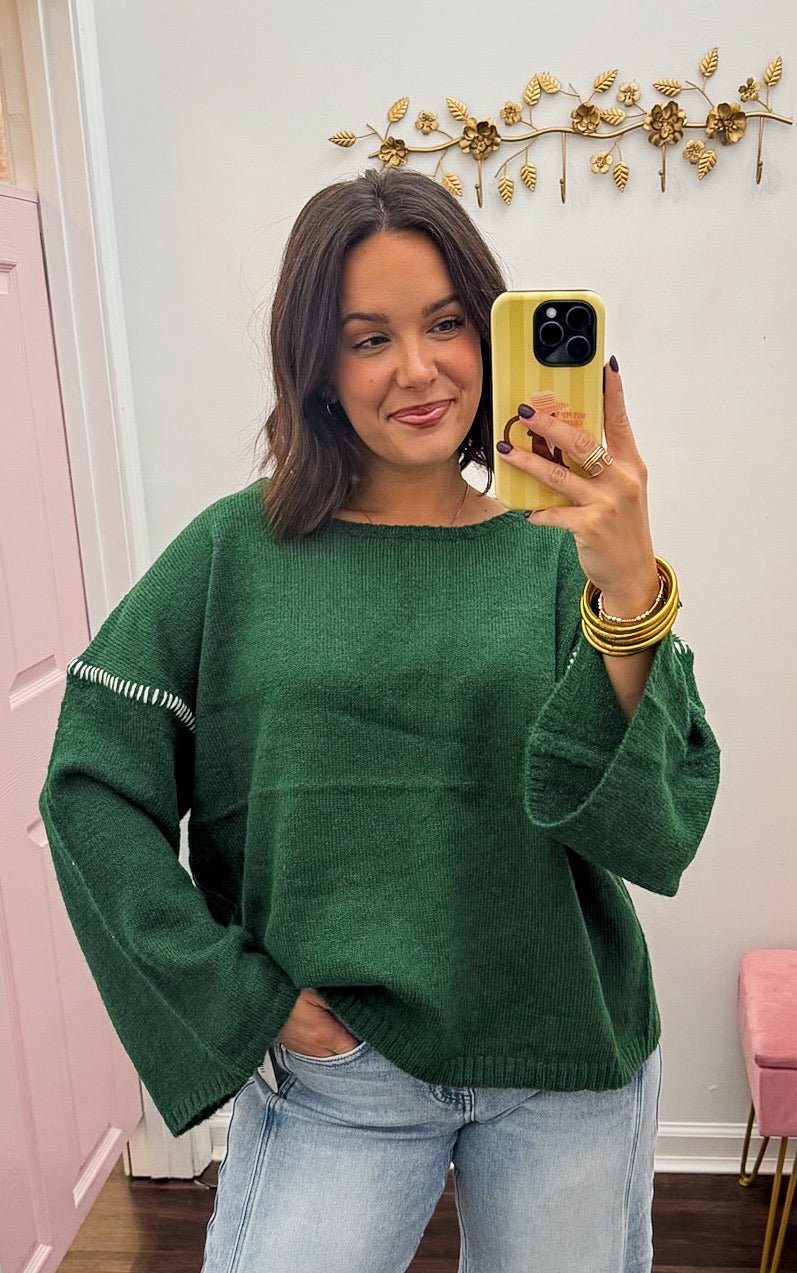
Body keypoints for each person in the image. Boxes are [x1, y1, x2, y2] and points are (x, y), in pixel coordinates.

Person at [39, 167, 720, 1273]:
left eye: (446, 323)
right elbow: (91, 784)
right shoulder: (232, 555)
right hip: (340, 1074)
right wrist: (240, 998)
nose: (418, 368)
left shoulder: (567, 557)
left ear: (489, 332)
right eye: (369, 338)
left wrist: (632, 588)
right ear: (317, 365)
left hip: (565, 1060)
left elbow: (654, 832)